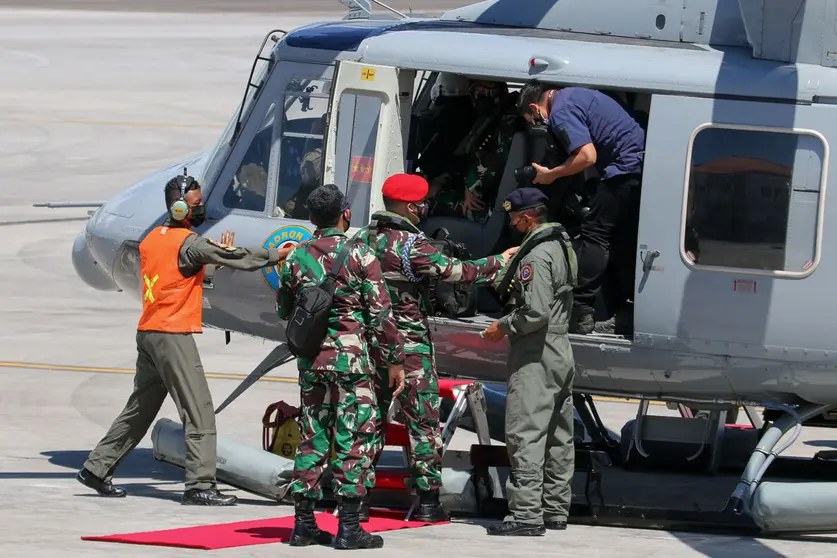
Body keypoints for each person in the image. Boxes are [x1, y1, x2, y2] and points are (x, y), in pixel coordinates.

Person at [77, 172, 292, 506]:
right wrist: (278, 255)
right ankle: (200, 485)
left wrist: (212, 256)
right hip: (171, 334)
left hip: (148, 332)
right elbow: (239, 259)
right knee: (199, 411)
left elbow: (183, 272)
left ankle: (97, 468)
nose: (201, 209)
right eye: (196, 205)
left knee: (140, 408)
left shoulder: (154, 239)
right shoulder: (189, 243)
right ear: (179, 209)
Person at [354, 173, 518, 522]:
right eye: (421, 203)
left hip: (369, 346)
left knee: (367, 422)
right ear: (412, 206)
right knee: (423, 424)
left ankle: (359, 502)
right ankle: (428, 502)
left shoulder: (360, 240)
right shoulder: (412, 245)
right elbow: (457, 272)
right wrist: (501, 261)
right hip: (409, 346)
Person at [276, 185, 406, 550]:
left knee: (313, 436)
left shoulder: (296, 256)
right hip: (351, 363)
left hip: (312, 361)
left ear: (312, 219)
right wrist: (394, 360)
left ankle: (303, 524)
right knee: (354, 438)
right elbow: (381, 315)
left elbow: (284, 309)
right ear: (345, 214)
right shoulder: (361, 254)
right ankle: (349, 526)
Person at [481, 187, 578, 536]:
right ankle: (554, 510)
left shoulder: (536, 257)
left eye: (514, 217)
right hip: (560, 349)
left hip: (535, 351)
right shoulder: (561, 245)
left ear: (526, 217)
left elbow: (534, 312)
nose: (512, 223)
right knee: (558, 434)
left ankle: (525, 515)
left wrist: (501, 327)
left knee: (526, 433)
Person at [517, 80, 644, 334]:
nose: (536, 124)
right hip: (635, 165)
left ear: (534, 107)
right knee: (620, 238)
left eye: (532, 119)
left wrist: (552, 174)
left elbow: (587, 156)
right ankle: (625, 310)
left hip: (625, 169)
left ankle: (581, 311)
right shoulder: (571, 97)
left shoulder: (560, 113)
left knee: (594, 233)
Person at [428, 80, 525, 223]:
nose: (480, 97)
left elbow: (493, 162)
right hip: (484, 189)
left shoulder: (509, 121)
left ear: (502, 91)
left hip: (498, 202)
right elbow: (467, 157)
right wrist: (441, 180)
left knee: (428, 204)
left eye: (487, 92)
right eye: (475, 92)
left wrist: (472, 188)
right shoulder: (491, 116)